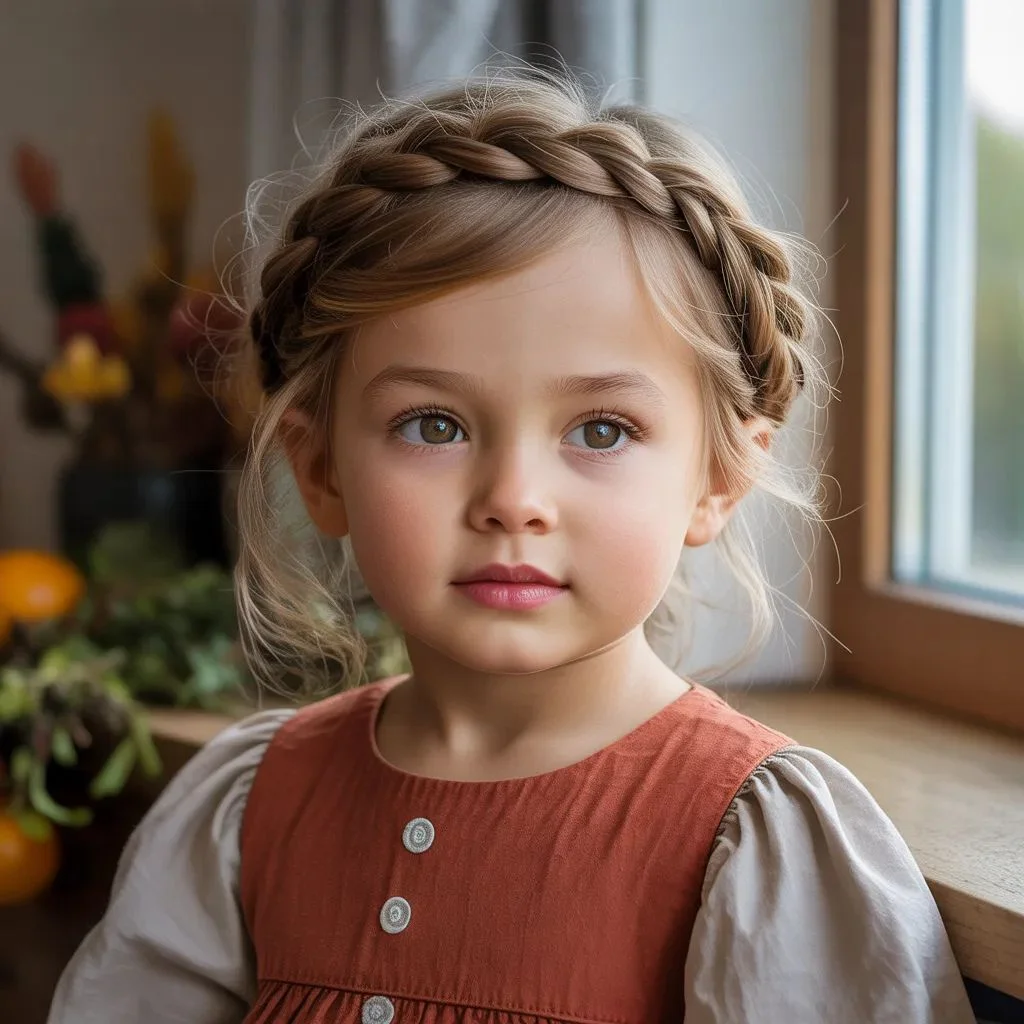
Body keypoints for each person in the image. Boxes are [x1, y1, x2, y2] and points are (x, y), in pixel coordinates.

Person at [48, 70, 976, 1024]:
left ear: (719, 479)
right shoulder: (244, 812)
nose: (512, 502)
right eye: (434, 426)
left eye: (602, 430)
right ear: (320, 470)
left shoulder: (755, 843)